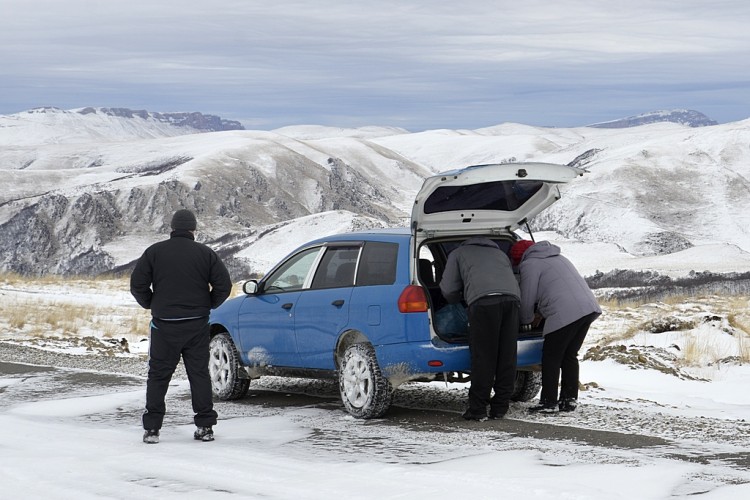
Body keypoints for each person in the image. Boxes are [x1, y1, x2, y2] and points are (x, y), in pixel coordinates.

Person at [130, 209, 232, 444]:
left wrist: (151, 303)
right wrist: (207, 305)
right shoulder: (206, 254)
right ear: (193, 229)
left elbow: (138, 285)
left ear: (172, 228)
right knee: (199, 375)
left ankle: (152, 430)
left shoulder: (154, 252)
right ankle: (205, 426)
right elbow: (223, 286)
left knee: (157, 376)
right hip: (196, 325)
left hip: (163, 325)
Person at [511, 240, 601, 414]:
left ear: (519, 257)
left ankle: (548, 402)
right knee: (569, 355)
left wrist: (526, 321)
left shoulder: (530, 264)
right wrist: (542, 314)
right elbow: (558, 290)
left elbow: (527, 297)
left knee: (551, 357)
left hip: (565, 313)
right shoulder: (559, 258)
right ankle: (569, 400)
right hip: (588, 308)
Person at [439, 237, 520, 421]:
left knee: (484, 355)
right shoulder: (499, 253)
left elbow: (449, 289)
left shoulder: (458, 253)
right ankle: (500, 407)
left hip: (483, 302)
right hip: (512, 300)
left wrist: (457, 301)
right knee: (507, 354)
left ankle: (478, 409)